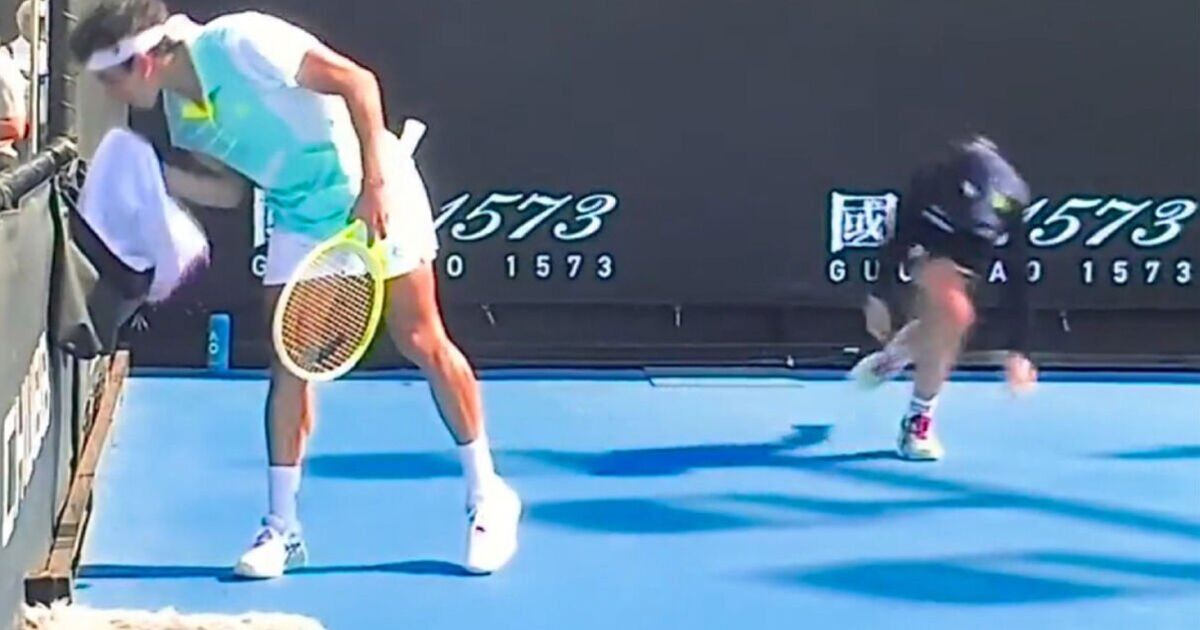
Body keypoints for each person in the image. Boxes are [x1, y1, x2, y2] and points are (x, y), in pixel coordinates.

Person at [69, 0, 522, 578]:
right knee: (290, 364)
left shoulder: (241, 42)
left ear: (144, 62)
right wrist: (152, 179)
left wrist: (376, 186)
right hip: (300, 219)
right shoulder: (184, 119)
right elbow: (232, 193)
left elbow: (359, 83)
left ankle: (488, 496)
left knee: (419, 337)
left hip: (373, 190)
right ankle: (280, 528)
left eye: (110, 78)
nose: (109, 93)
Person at [849, 135, 1039, 461]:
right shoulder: (929, 183)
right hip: (927, 244)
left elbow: (1017, 277)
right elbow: (898, 238)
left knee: (945, 320)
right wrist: (879, 296)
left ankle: (895, 356)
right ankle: (918, 422)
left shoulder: (1010, 199)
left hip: (968, 256)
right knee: (955, 313)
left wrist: (1019, 351)